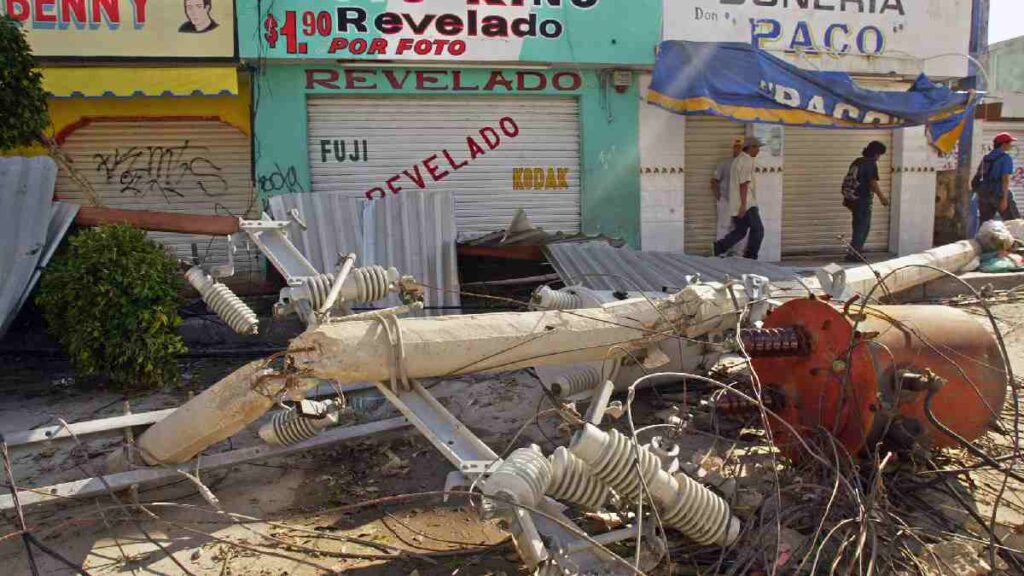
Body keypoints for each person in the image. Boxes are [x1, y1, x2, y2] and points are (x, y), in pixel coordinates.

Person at [714, 137, 765, 260]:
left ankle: (719, 247)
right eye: (757, 147)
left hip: (737, 203)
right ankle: (751, 256)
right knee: (758, 230)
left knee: (741, 230)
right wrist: (743, 205)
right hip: (746, 204)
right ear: (750, 147)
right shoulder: (746, 161)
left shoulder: (738, 160)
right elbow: (743, 184)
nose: (758, 150)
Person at [844, 141, 890, 262]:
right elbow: (873, 183)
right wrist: (882, 198)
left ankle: (853, 252)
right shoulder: (870, 164)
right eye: (879, 154)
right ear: (876, 153)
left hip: (853, 199)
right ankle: (855, 254)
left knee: (857, 226)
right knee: (863, 227)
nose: (879, 158)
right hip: (863, 199)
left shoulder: (857, 161)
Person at [975, 132, 1020, 224]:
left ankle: (983, 238)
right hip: (999, 194)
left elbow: (980, 175)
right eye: (1009, 143)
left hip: (984, 194)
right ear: (1004, 144)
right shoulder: (1005, 158)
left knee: (985, 225)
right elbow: (1005, 179)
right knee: (1014, 223)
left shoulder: (986, 158)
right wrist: (1004, 199)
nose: (1011, 146)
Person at [711, 137, 744, 249]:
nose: (738, 150)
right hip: (725, 200)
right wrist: (719, 196)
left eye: (741, 148)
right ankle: (720, 251)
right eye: (736, 147)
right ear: (733, 149)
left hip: (740, 203)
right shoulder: (724, 164)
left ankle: (737, 253)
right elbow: (714, 180)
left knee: (740, 228)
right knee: (723, 226)